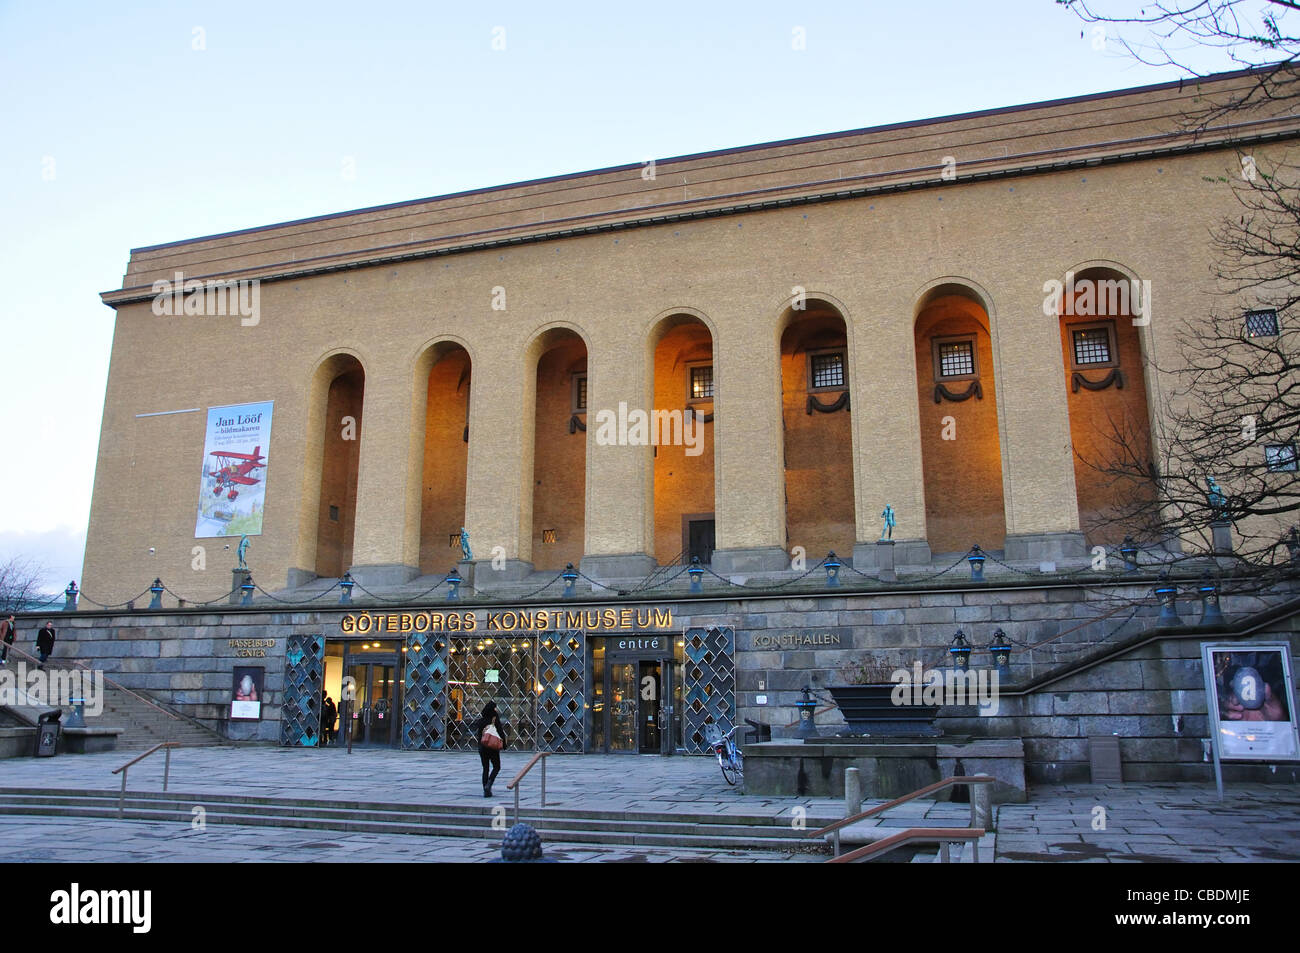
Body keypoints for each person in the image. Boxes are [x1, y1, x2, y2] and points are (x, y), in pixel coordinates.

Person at [471, 701, 507, 798]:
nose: (496, 709)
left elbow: (479, 735)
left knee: (485, 768)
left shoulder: (481, 720)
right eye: (495, 708)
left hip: (483, 747)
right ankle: (489, 784)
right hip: (492, 747)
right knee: (497, 766)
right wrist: (504, 744)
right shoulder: (494, 719)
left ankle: (485, 789)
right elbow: (500, 731)